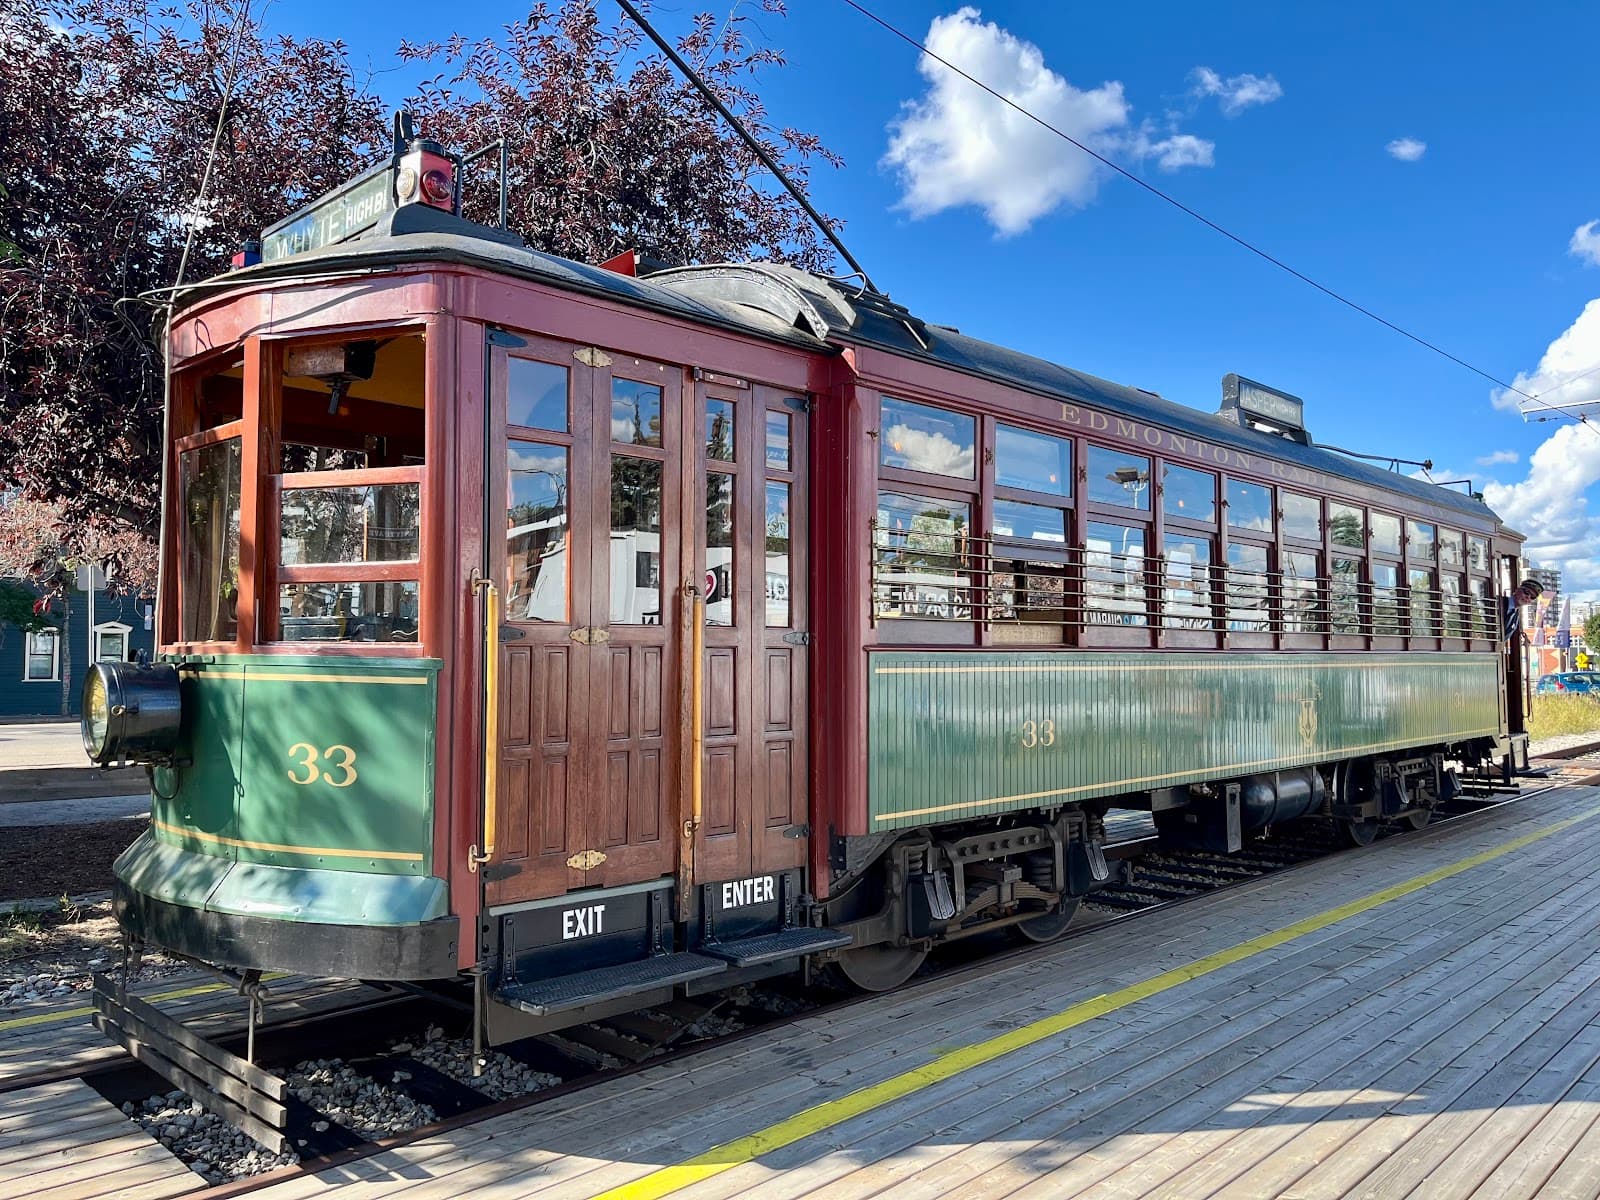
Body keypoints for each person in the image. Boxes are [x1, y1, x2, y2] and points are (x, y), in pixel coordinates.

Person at [1503, 578, 1543, 644]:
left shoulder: (1516, 617)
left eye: (1532, 597)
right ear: (1517, 590)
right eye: (1526, 593)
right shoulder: (1499, 602)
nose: (1528, 597)